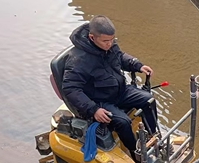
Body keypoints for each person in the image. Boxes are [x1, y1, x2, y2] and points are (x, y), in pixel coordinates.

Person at [62, 15, 159, 152]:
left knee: (149, 100)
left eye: (112, 40)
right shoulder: (78, 60)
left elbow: (120, 56)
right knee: (124, 122)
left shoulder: (110, 46)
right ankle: (137, 153)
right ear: (92, 37)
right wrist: (93, 109)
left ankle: (151, 136)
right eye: (106, 41)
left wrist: (136, 65)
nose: (110, 44)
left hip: (120, 91)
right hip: (100, 101)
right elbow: (70, 88)